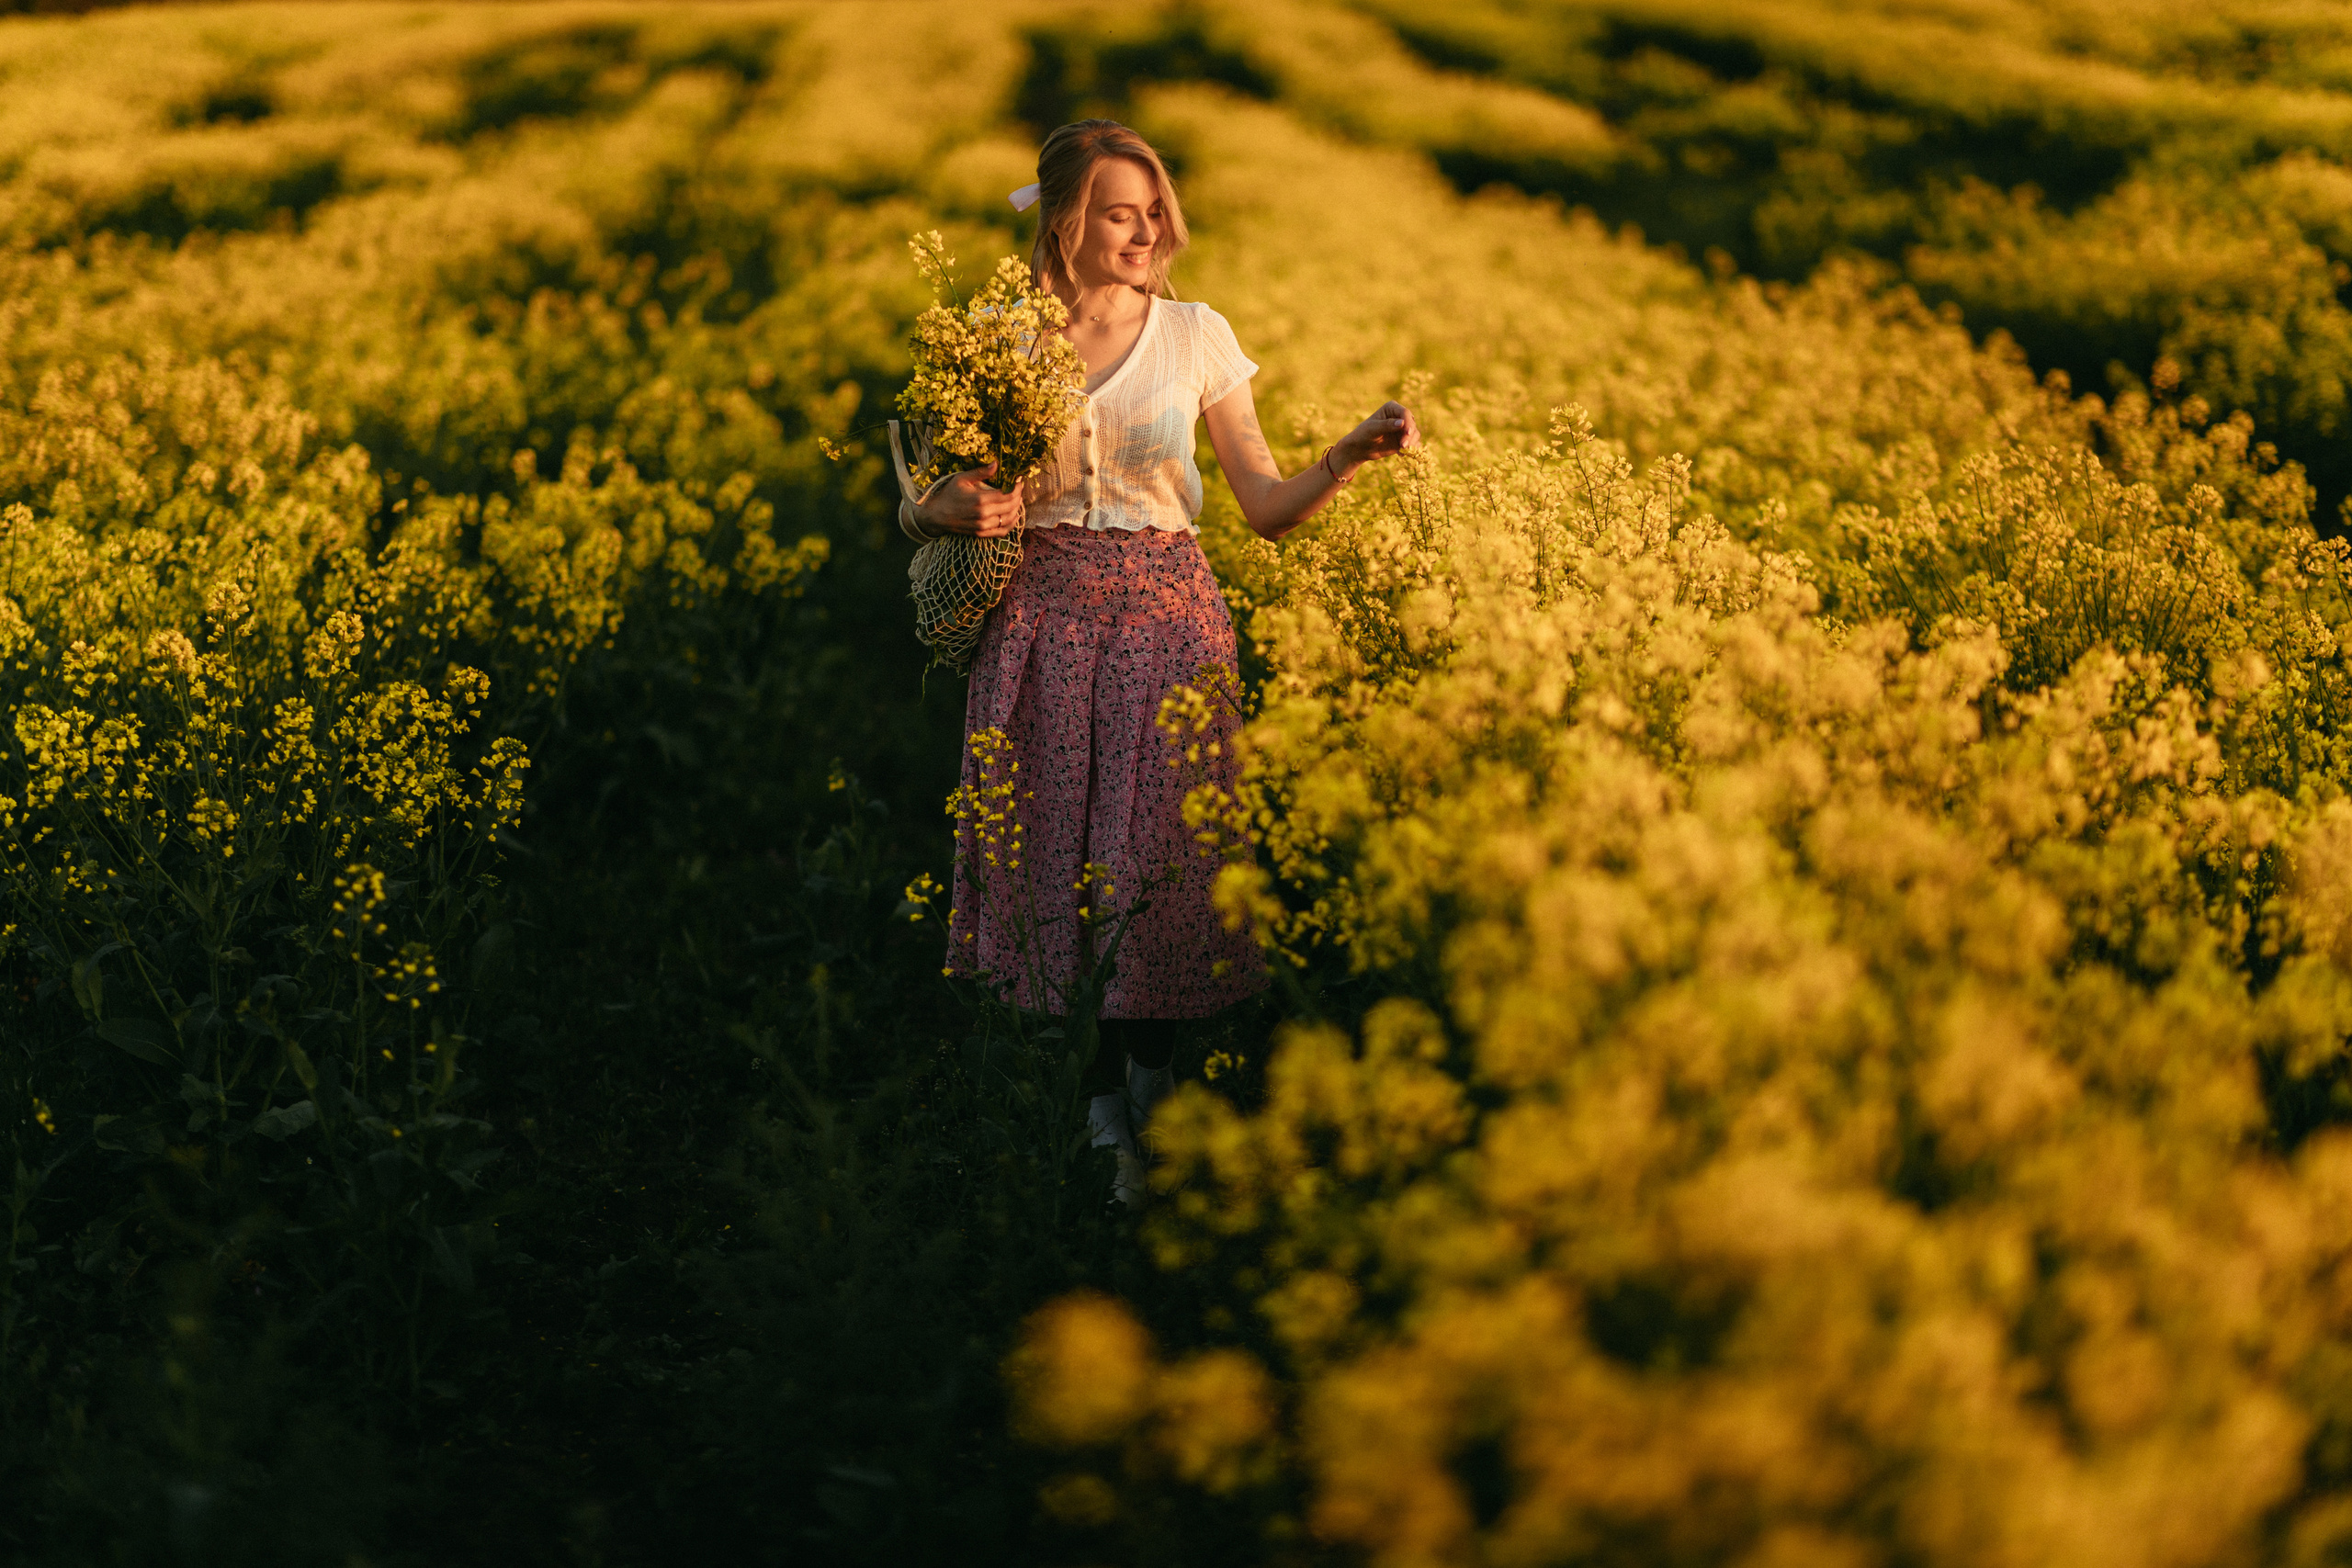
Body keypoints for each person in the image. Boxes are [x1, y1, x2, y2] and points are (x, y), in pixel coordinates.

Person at [903, 119, 1419, 1202]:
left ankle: (1152, 1079)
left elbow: (1264, 508)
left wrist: (1350, 453)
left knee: (1158, 858)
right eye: (1117, 212)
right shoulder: (1000, 337)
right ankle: (1097, 1107)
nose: (1144, 231)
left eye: (1151, 210)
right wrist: (941, 505)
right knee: (1055, 846)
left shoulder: (1196, 336)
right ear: (1065, 222)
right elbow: (948, 488)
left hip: (1168, 622)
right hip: (1039, 618)